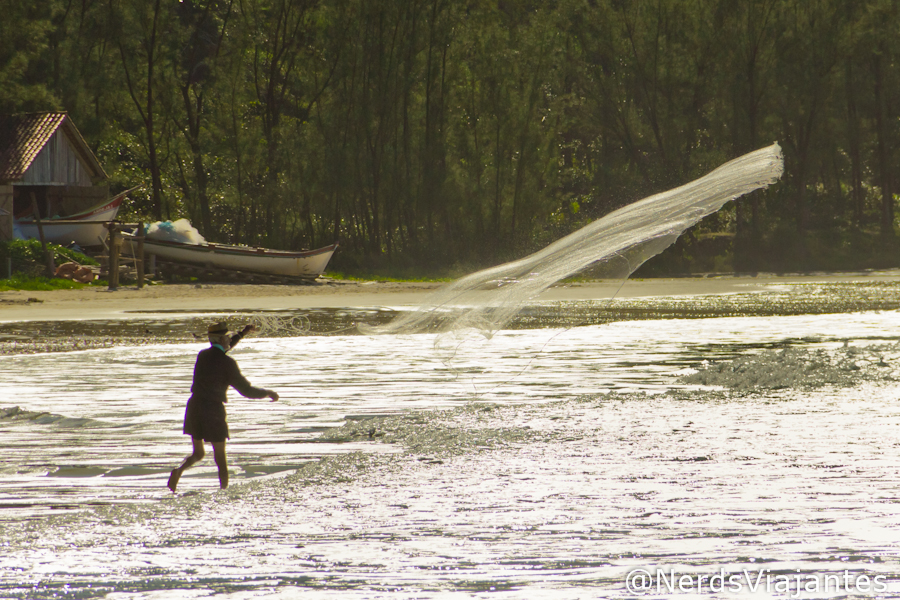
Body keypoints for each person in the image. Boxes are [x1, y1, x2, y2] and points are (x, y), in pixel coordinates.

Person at [167, 321, 279, 493]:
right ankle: (224, 492)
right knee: (220, 457)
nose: (229, 339)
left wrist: (243, 333)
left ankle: (178, 470)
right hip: (213, 410)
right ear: (220, 339)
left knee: (198, 453)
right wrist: (267, 392)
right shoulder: (228, 364)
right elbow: (246, 390)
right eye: (227, 336)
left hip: (194, 406)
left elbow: (221, 350)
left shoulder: (202, 355)